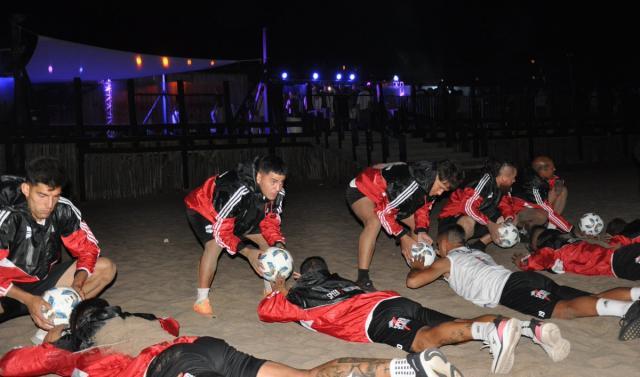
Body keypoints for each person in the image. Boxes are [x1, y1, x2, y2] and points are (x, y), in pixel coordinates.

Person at [0, 297, 463, 377]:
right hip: (206, 347)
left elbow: (13, 366)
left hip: (168, 367)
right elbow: (170, 324)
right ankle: (409, 366)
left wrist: (55, 339)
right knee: (305, 375)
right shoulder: (141, 320)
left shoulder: (79, 346)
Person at [258, 256, 568, 374]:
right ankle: (529, 328)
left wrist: (276, 287)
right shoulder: (341, 281)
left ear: (299, 276)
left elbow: (265, 312)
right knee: (454, 326)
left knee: (423, 342)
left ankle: (492, 332)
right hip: (394, 300)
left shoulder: (299, 298)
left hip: (375, 321)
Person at [406, 224, 640, 341]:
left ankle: (626, 310)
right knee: (588, 299)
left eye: (438, 246)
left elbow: (414, 282)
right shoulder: (475, 252)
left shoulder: (447, 260)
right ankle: (636, 294)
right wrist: (493, 231)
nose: (437, 251)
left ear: (444, 244)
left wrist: (417, 265)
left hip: (509, 289)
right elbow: (482, 242)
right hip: (525, 279)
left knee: (565, 310)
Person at [0, 158, 116, 338]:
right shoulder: (7, 215)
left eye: (55, 196)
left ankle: (56, 324)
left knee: (106, 268)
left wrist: (78, 282)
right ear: (26, 189)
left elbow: (88, 250)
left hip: (45, 283)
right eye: (42, 196)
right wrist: (29, 300)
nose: (49, 205)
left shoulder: (63, 209)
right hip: (7, 290)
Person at [184, 155, 287, 317]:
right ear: (259, 177)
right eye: (273, 181)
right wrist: (248, 252)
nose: (278, 187)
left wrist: (278, 243)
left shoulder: (278, 192)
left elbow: (270, 222)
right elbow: (222, 232)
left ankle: (269, 292)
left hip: (239, 213)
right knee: (214, 244)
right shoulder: (235, 189)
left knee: (269, 244)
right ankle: (201, 301)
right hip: (204, 208)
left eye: (281, 182)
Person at [347, 160, 462, 291]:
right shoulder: (409, 185)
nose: (440, 193)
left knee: (417, 228)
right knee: (374, 222)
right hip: (363, 189)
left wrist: (422, 230)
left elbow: (423, 207)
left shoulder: (430, 182)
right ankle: (362, 278)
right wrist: (402, 237)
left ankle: (418, 267)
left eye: (444, 190)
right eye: (440, 187)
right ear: (436, 175)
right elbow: (383, 212)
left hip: (389, 199)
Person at [438, 159, 518, 250]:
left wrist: (508, 218)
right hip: (452, 221)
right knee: (468, 220)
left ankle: (480, 245)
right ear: (504, 178)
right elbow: (468, 208)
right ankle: (457, 249)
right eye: (513, 177)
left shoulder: (504, 186)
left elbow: (506, 204)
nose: (514, 180)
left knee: (511, 218)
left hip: (478, 218)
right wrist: (489, 224)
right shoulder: (483, 182)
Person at [512, 225, 640, 281]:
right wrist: (523, 262)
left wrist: (616, 240)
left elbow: (601, 245)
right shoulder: (552, 249)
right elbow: (539, 260)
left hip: (616, 257)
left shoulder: (568, 242)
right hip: (615, 262)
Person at [510, 156, 572, 235]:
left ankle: (551, 227)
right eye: (552, 168)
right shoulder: (532, 185)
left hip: (534, 206)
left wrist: (559, 181)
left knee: (562, 190)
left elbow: (553, 179)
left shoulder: (538, 174)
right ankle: (523, 228)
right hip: (519, 212)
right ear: (542, 170)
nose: (554, 169)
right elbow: (547, 209)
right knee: (542, 215)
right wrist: (570, 229)